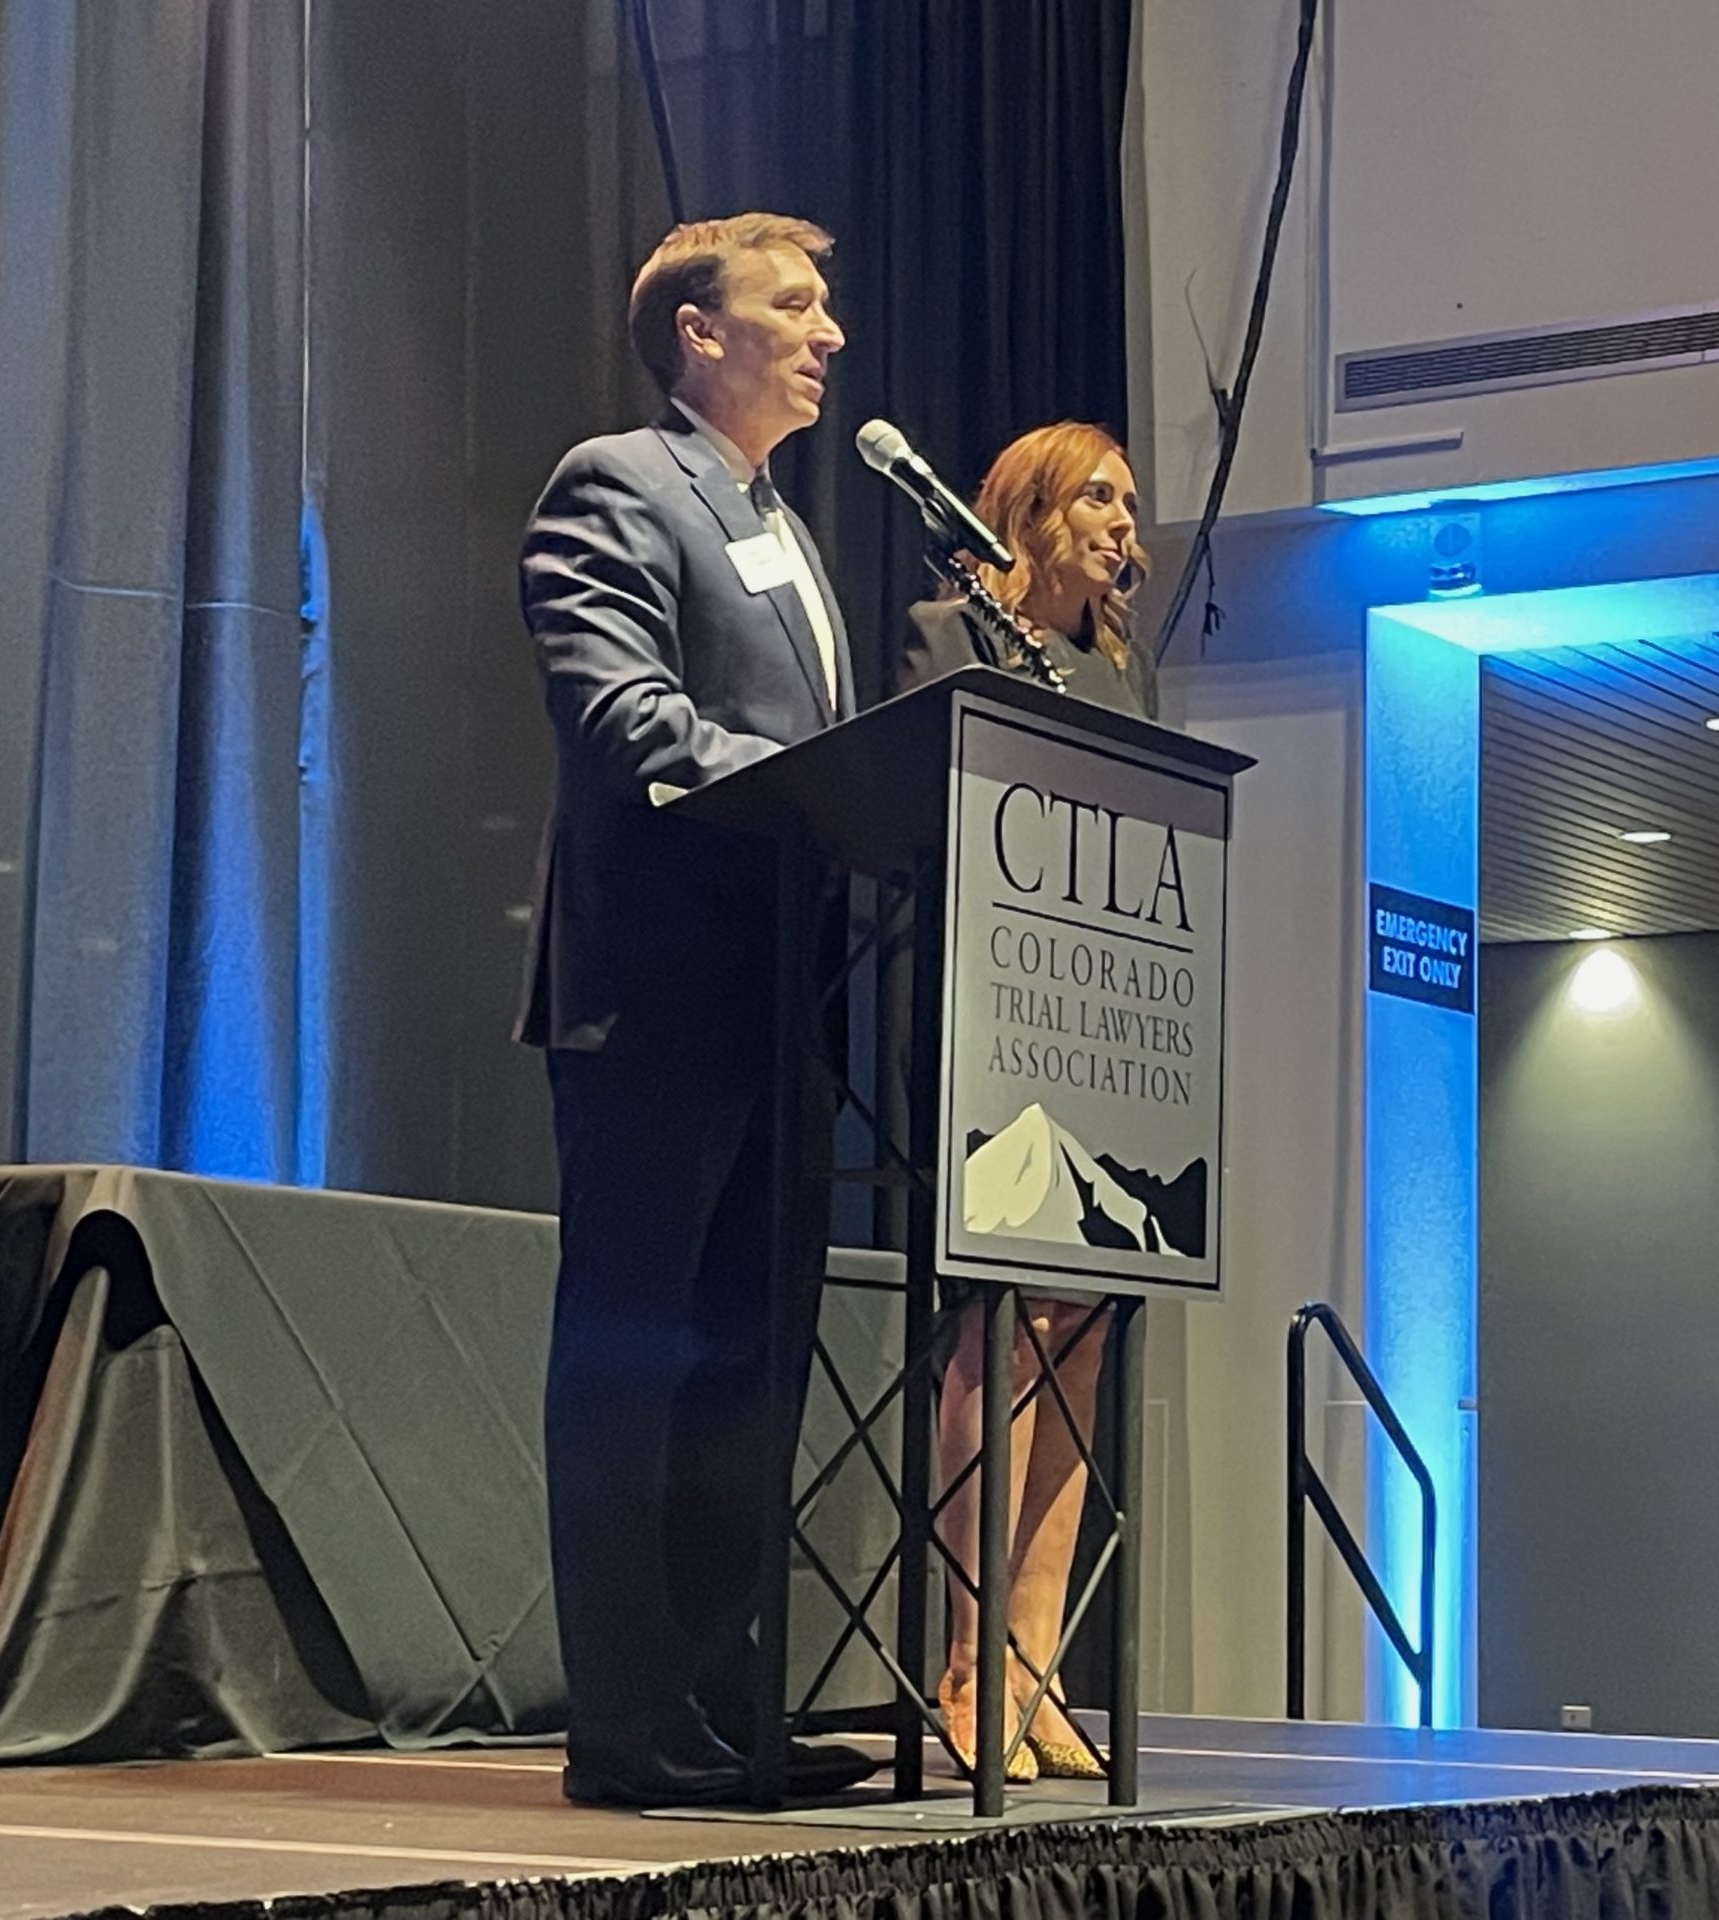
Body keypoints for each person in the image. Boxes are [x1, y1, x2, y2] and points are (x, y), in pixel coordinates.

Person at [517, 212, 873, 1810]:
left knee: (753, 1366)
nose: (828, 333)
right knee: (636, 1360)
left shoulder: (786, 525)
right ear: (698, 337)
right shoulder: (616, 482)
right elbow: (622, 714)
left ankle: (727, 1710)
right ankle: (624, 1727)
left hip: (783, 1005)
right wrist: (821, 793)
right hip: (654, 1002)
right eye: (791, 306)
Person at [896, 422, 1154, 1779]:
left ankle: (1039, 1666)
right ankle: (966, 1657)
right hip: (992, 1025)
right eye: (1096, 498)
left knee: (1083, 1337)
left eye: (1127, 503)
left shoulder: (1119, 676)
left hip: (1111, 1042)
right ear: (1027, 513)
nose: (1122, 523)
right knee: (1001, 1330)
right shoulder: (950, 640)